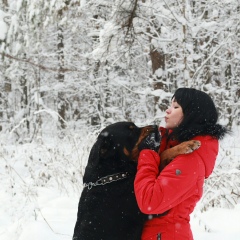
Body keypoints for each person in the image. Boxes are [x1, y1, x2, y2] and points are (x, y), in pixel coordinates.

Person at [134, 88, 228, 240]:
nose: (168, 110)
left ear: (191, 115)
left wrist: (148, 153)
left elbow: (149, 202)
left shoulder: (190, 159)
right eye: (170, 105)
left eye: (176, 107)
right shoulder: (175, 148)